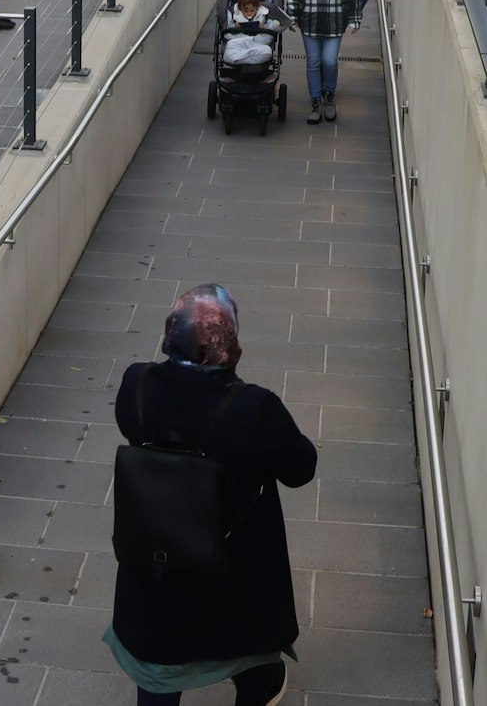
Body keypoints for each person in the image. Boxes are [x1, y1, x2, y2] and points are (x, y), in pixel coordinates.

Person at [106, 284, 316, 706]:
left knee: (158, 672)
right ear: (231, 344)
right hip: (233, 571)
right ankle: (257, 686)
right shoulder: (254, 408)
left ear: (170, 333)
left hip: (156, 564)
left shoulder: (137, 384)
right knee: (251, 652)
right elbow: (301, 469)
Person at [222, 0, 278, 66]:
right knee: (230, 44)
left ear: (257, 8)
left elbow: (271, 26)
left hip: (257, 42)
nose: (249, 13)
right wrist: (234, 26)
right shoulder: (235, 16)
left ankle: (239, 58)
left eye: (252, 10)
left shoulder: (263, 15)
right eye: (246, 11)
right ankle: (248, 57)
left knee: (267, 51)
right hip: (239, 40)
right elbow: (228, 29)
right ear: (240, 9)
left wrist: (264, 27)